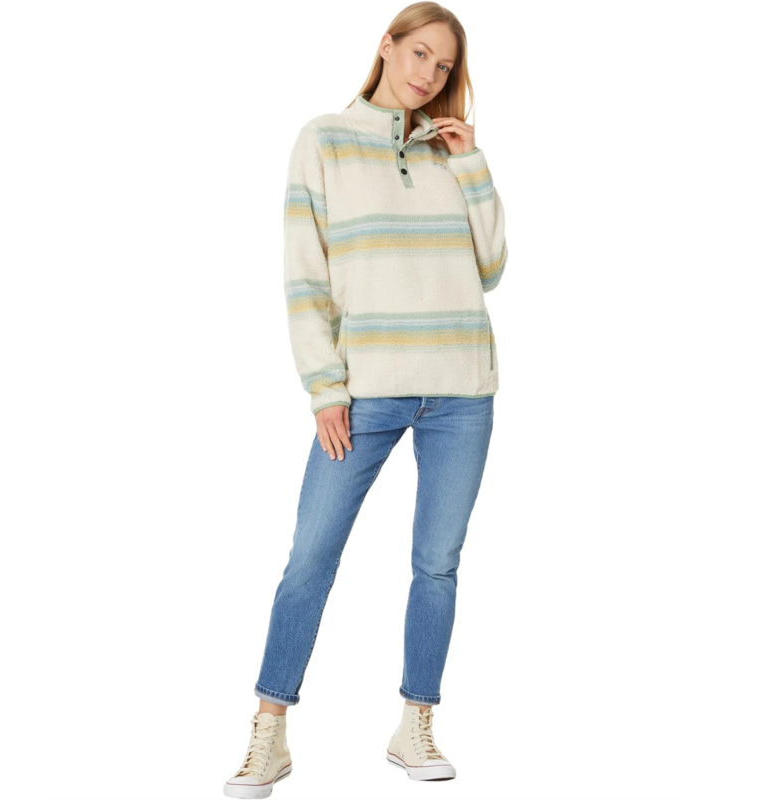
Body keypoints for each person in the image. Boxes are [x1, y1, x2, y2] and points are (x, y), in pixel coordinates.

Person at [224, 2, 508, 796]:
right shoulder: (323, 139)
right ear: (386, 46)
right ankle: (270, 730)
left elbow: (491, 268)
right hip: (364, 394)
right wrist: (325, 387)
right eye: (419, 54)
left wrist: (473, 163)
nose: (428, 74)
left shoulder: (452, 153)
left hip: (461, 390)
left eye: (443, 67)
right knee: (310, 559)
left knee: (437, 565)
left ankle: (415, 724)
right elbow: (305, 276)